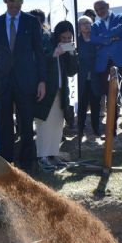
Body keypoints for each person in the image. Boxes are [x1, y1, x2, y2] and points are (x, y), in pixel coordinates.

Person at [0, 0, 45, 172]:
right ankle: (7, 165)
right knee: (4, 126)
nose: (15, 5)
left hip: (27, 82)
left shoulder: (32, 22)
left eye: (19, 1)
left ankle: (27, 165)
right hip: (3, 83)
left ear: (23, 1)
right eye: (11, 0)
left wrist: (42, 81)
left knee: (26, 125)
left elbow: (39, 53)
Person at [91, 0, 122, 140]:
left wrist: (103, 37)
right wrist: (111, 38)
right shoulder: (95, 25)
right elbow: (93, 39)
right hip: (105, 63)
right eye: (97, 10)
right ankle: (111, 130)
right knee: (110, 96)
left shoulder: (121, 17)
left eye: (102, 8)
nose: (100, 12)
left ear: (108, 6)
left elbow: (121, 30)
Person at [34, 21, 78, 171]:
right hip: (46, 90)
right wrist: (54, 54)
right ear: (57, 35)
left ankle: (53, 154)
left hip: (61, 90)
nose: (66, 40)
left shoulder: (67, 48)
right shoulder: (47, 42)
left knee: (58, 125)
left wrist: (71, 53)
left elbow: (72, 71)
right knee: (44, 124)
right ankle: (42, 157)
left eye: (69, 38)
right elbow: (39, 64)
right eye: (63, 38)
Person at [76, 15, 101, 138]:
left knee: (96, 104)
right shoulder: (76, 42)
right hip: (81, 78)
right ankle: (80, 129)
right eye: (83, 23)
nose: (87, 25)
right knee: (82, 105)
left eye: (89, 23)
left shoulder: (97, 39)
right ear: (79, 27)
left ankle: (96, 128)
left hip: (96, 77)